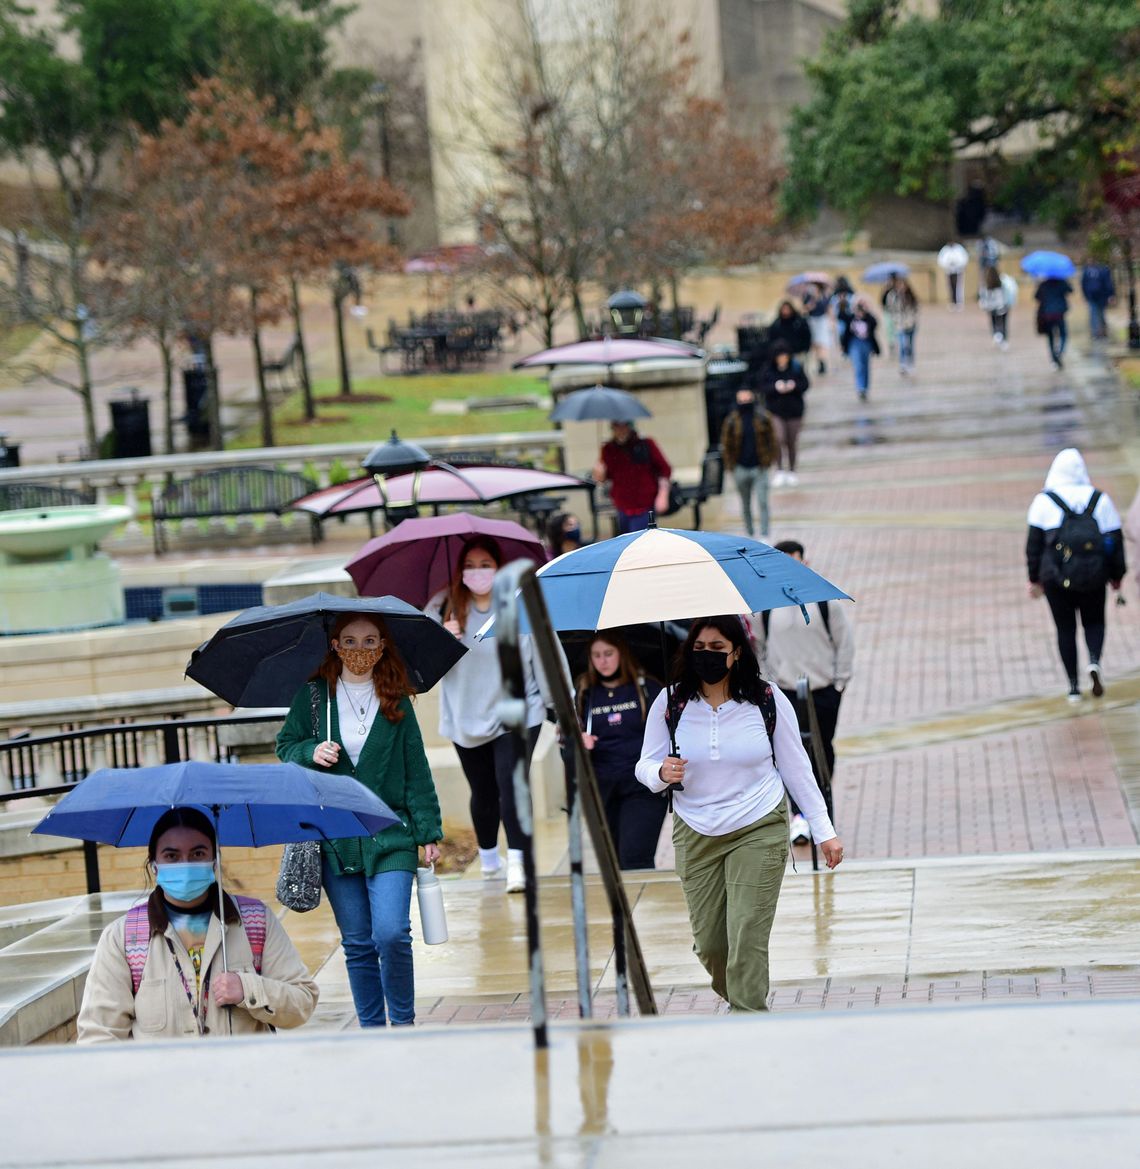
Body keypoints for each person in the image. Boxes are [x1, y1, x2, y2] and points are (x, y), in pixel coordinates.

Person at [635, 616, 843, 1012]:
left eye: (717, 649)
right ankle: (742, 1001)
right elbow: (643, 765)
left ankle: (748, 1019)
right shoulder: (671, 701)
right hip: (695, 829)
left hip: (758, 825)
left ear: (737, 653)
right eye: (699, 649)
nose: (707, 657)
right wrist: (661, 772)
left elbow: (797, 768)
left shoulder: (766, 699)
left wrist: (823, 830)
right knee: (712, 944)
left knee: (747, 932)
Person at [276, 613, 442, 1027]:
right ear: (335, 646)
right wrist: (311, 751)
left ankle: (402, 1025)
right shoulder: (315, 697)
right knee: (358, 943)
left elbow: (416, 769)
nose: (360, 651)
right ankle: (371, 1029)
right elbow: (285, 746)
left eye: (370, 641)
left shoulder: (396, 699)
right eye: (349, 641)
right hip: (335, 837)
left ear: (383, 646)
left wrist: (428, 831)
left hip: (391, 833)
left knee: (391, 933)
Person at [77, 807, 319, 1042]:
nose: (186, 864)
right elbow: (99, 1034)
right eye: (172, 856)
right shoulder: (124, 938)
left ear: (214, 860)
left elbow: (303, 1001)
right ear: (154, 864)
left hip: (244, 1079)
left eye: (198, 854)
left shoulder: (256, 921)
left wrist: (249, 989)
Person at [426, 535, 554, 893]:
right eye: (470, 566)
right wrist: (439, 637)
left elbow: (545, 653)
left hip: (517, 711)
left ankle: (519, 863)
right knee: (483, 793)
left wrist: (559, 706)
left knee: (513, 789)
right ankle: (489, 858)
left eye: (486, 565)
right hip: (465, 716)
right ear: (459, 570)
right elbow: (419, 662)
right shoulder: (443, 605)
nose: (478, 573)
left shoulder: (521, 602)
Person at [754, 540, 855, 845]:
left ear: (805, 563)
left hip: (823, 692)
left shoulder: (826, 604)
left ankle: (822, 813)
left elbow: (844, 645)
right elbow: (758, 649)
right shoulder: (766, 609)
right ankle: (799, 816)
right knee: (790, 754)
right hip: (784, 693)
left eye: (795, 561)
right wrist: (769, 682)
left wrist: (838, 684)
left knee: (822, 750)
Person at [1025, 449, 1126, 702]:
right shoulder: (1099, 500)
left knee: (1065, 629)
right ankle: (1094, 661)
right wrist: (1116, 576)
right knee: (1094, 622)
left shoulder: (1043, 502)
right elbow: (1114, 541)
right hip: (1094, 575)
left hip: (1055, 578)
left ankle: (1072, 687)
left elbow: (1033, 547)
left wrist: (1034, 579)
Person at [575, 632, 665, 869]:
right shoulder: (585, 692)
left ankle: (639, 906)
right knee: (613, 862)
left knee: (635, 857)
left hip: (642, 787)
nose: (602, 661)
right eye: (596, 655)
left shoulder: (647, 688)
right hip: (602, 788)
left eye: (608, 654)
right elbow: (568, 735)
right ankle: (627, 906)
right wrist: (578, 740)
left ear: (621, 654)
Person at [593, 420, 671, 533]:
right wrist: (599, 471)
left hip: (645, 502)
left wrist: (663, 495)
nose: (620, 431)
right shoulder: (608, 449)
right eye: (617, 427)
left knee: (640, 537)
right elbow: (603, 477)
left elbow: (664, 470)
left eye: (624, 426)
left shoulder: (645, 444)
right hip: (622, 503)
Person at [720, 384, 777, 536]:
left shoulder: (763, 416)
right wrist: (731, 466)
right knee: (745, 504)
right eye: (742, 397)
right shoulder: (731, 420)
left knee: (763, 502)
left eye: (747, 396)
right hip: (740, 468)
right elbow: (726, 444)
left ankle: (765, 535)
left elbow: (772, 440)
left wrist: (769, 460)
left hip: (760, 467)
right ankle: (750, 533)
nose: (745, 400)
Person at [759, 342, 809, 487]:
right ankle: (779, 469)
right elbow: (762, 387)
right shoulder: (768, 370)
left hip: (794, 411)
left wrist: (793, 386)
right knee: (778, 438)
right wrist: (776, 387)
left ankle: (792, 470)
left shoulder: (796, 368)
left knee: (791, 442)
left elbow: (805, 384)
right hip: (776, 411)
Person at [840, 298, 881, 400]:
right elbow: (840, 316)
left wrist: (867, 310)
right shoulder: (850, 318)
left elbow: (875, 323)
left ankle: (865, 388)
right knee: (858, 365)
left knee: (865, 366)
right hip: (854, 344)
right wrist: (843, 303)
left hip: (866, 344)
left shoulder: (869, 319)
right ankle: (860, 387)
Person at [1035, 276, 1072, 369]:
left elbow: (1036, 297)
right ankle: (1059, 351)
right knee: (1063, 334)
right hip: (1059, 313)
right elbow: (1070, 290)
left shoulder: (1043, 284)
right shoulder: (1061, 282)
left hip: (1047, 314)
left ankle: (1054, 358)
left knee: (1051, 337)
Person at [883, 277, 919, 374]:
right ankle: (903, 364)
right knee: (903, 345)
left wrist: (913, 319)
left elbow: (915, 309)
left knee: (911, 346)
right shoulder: (892, 296)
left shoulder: (910, 296)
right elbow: (889, 309)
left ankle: (911, 363)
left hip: (911, 324)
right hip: (900, 325)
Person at [801, 282, 832, 374]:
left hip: (822, 321)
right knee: (814, 343)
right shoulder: (808, 298)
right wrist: (809, 305)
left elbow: (828, 309)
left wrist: (831, 321)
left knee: (822, 343)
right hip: (812, 321)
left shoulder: (824, 297)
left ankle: (822, 363)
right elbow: (804, 310)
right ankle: (817, 362)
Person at [1080, 260, 1115, 341]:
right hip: (1101, 296)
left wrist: (1086, 296)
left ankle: (1096, 333)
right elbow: (1108, 283)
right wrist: (1111, 294)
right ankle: (1101, 331)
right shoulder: (1104, 270)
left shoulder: (1087, 271)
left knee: (1094, 314)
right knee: (1100, 313)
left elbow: (1083, 284)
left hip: (1092, 296)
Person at [978, 267, 1010, 347]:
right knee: (1003, 324)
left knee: (994, 323)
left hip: (992, 308)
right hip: (1002, 308)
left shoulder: (986, 287)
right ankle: (1003, 338)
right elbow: (1005, 296)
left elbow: (984, 299)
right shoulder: (1002, 285)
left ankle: (996, 334)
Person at [937, 242, 969, 309]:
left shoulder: (959, 249)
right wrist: (948, 264)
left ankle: (959, 302)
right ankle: (952, 302)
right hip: (949, 270)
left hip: (958, 270)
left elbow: (964, 258)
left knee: (958, 286)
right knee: (950, 286)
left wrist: (957, 264)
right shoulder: (945, 249)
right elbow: (941, 259)